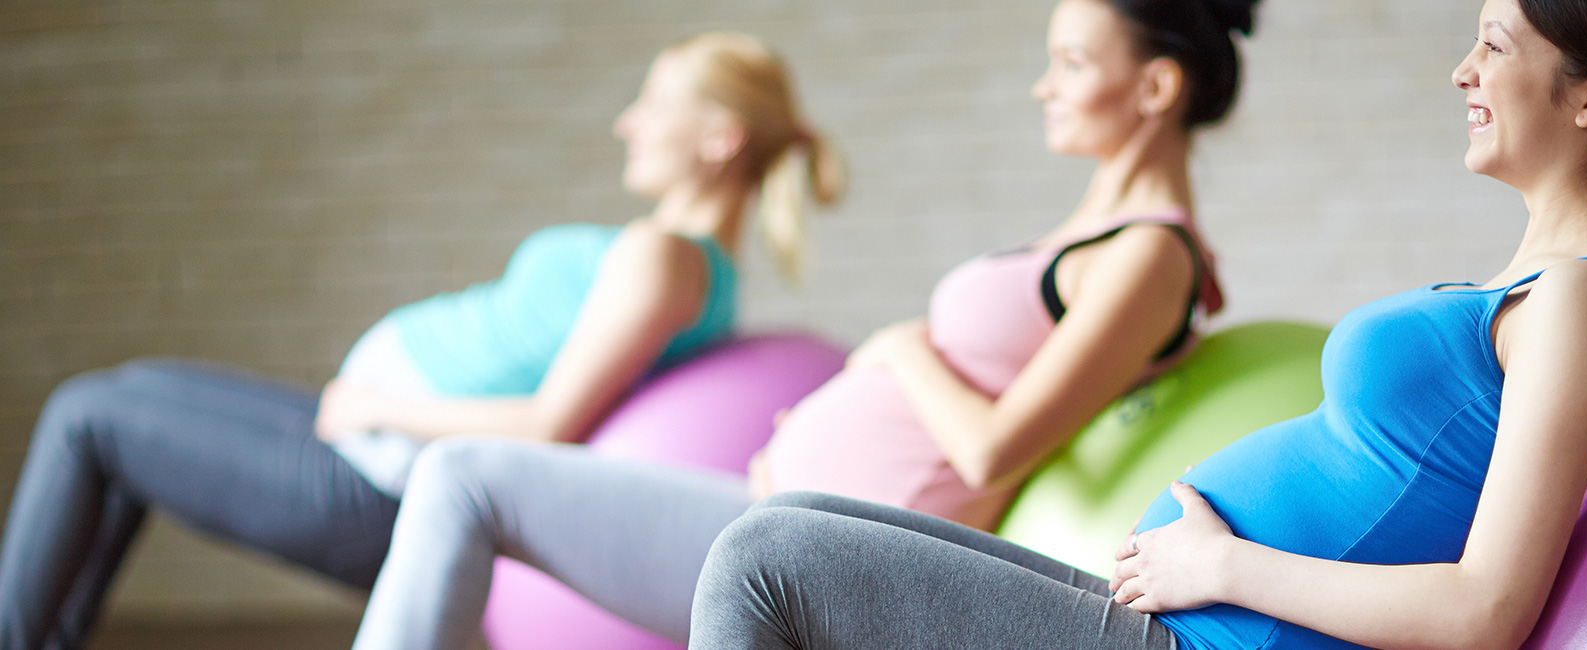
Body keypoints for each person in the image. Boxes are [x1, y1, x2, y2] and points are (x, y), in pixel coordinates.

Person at [683, 1, 1587, 649]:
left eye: (1492, 42)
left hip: (1211, 641)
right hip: (1171, 613)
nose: (1460, 72)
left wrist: (1222, 564)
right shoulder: (1543, 279)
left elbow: (1485, 611)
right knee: (789, 523)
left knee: (762, 565)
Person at [344, 0, 1247, 646]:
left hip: (842, 558)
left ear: (1157, 86)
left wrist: (900, 351)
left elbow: (991, 451)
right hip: (773, 511)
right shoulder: (1093, 233)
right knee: (466, 478)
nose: (1042, 85)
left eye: (1073, 63)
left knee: (467, 475)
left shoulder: (1150, 255)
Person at [0, 31, 841, 650]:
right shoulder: (684, 261)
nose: (628, 122)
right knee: (132, 388)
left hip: (380, 483)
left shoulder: (665, 260)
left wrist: (379, 404)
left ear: (719, 138)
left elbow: (554, 424)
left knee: (89, 414)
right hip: (374, 447)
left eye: (655, 103)